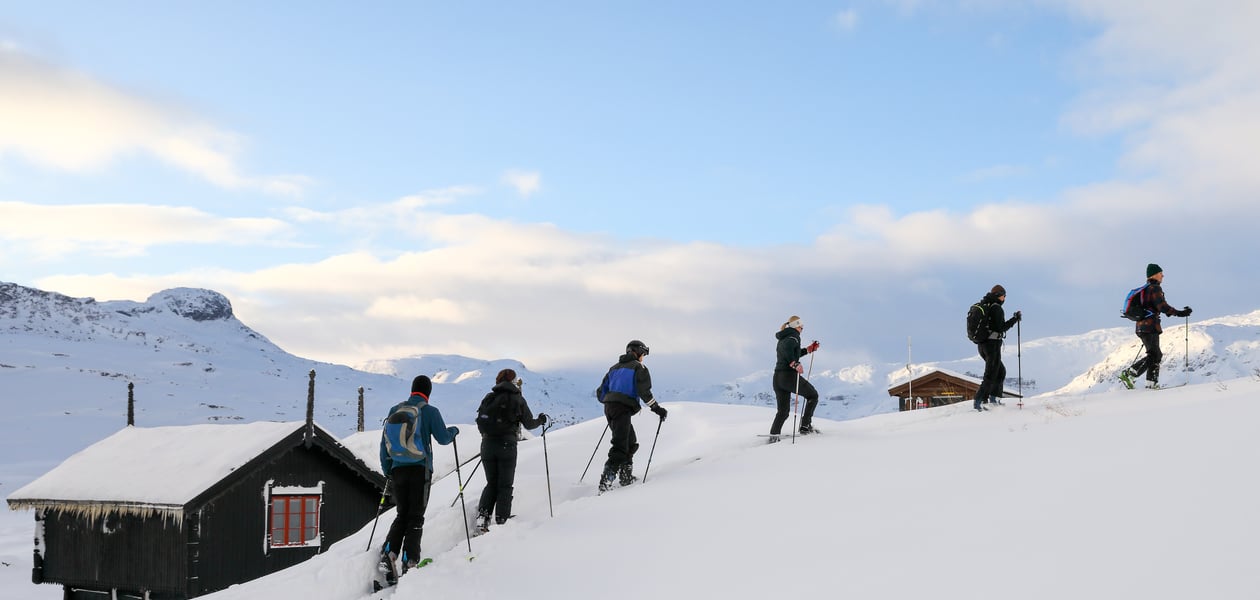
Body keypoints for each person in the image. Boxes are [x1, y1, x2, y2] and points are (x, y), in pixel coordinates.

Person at [378, 375, 458, 580]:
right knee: (415, 517)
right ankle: (410, 561)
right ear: (428, 393)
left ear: (412, 389)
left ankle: (388, 554)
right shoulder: (430, 412)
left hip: (397, 470)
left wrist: (388, 469)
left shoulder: (395, 410)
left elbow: (384, 443)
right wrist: (454, 431)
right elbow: (443, 438)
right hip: (419, 469)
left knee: (401, 514)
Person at [475, 368, 548, 533]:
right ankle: (502, 520)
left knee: (491, 483)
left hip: (487, 445)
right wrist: (541, 420)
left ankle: (482, 518)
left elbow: (480, 421)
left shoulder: (489, 397)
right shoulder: (517, 399)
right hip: (507, 446)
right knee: (505, 485)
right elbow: (529, 424)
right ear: (513, 382)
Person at [596, 340, 666, 492]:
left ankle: (625, 477)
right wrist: (657, 408)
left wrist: (611, 400)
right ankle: (606, 481)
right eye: (643, 354)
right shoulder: (638, 367)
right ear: (637, 352)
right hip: (622, 409)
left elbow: (600, 393)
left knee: (630, 442)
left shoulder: (613, 368)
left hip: (610, 408)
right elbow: (644, 391)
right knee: (620, 445)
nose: (643, 358)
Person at [1120, 264, 1192, 389]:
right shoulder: (1154, 288)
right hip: (1150, 326)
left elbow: (1157, 307)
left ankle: (1151, 383)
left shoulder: (1147, 289)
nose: (1163, 276)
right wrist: (1180, 313)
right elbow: (1162, 307)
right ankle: (1130, 374)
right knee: (1154, 355)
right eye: (1160, 273)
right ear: (1154, 275)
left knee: (1155, 355)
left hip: (1143, 326)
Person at [971, 285, 1021, 412]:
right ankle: (979, 401)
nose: (1005, 298)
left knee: (1000, 371)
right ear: (999, 295)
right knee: (991, 374)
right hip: (992, 345)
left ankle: (994, 399)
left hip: (982, 345)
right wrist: (1015, 319)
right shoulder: (996, 308)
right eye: (1004, 295)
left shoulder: (986, 305)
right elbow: (1001, 327)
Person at [770, 316, 820, 439]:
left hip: (778, 378)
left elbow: (792, 352)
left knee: (783, 412)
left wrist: (808, 350)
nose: (802, 329)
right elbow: (787, 350)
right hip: (788, 376)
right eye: (801, 327)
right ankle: (805, 426)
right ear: (797, 326)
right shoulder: (793, 336)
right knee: (812, 395)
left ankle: (774, 435)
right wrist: (794, 363)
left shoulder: (785, 336)